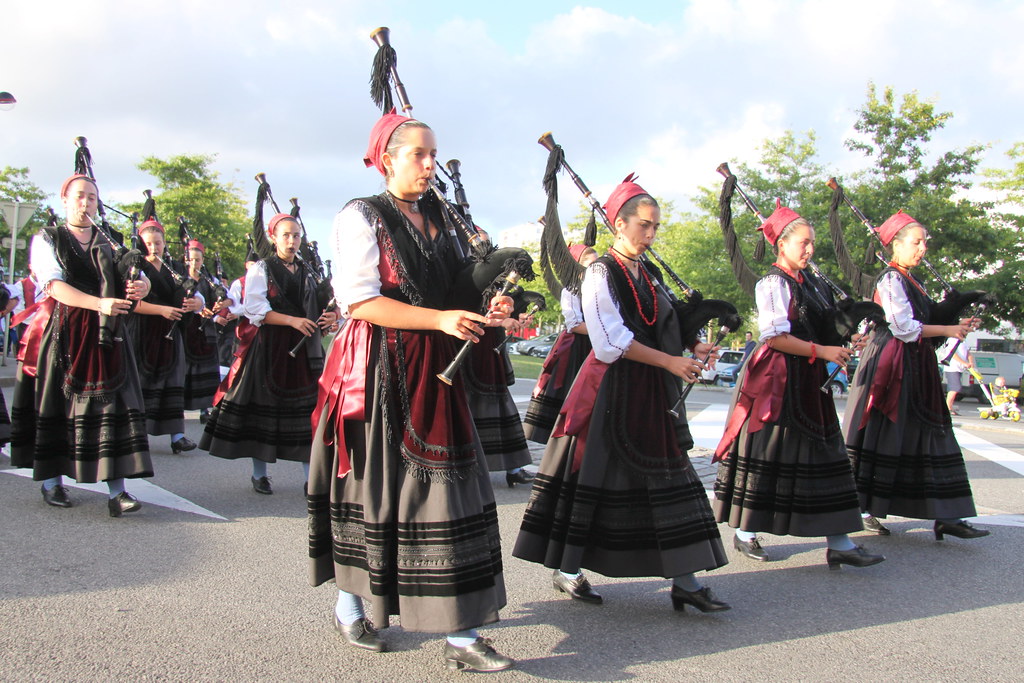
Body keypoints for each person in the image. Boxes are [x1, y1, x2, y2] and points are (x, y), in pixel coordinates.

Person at [306, 112, 514, 672]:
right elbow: (361, 302)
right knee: (375, 490)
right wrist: (442, 317)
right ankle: (351, 603)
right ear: (386, 158)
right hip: (380, 371)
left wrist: (488, 308)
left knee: (451, 491)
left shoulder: (441, 217)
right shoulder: (361, 215)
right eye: (419, 155)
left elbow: (454, 287)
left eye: (433, 155)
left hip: (439, 370)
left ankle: (464, 632)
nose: (430, 166)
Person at [513, 177, 730, 613]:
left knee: (668, 478)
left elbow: (664, 322)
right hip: (612, 393)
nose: (650, 235)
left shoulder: (647, 272)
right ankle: (570, 569)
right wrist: (669, 362)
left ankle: (684, 580)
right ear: (619, 225)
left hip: (651, 389)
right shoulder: (600, 272)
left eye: (655, 227)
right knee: (593, 478)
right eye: (644, 226)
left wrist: (692, 346)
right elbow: (609, 341)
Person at [712, 203, 884, 569]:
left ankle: (839, 540)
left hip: (809, 376)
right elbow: (774, 337)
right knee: (767, 453)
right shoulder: (772, 283)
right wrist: (823, 349)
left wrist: (846, 339)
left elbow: (826, 326)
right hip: (778, 379)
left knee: (826, 454)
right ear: (782, 245)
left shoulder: (815, 283)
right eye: (803, 243)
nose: (809, 250)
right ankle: (745, 532)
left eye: (812, 243)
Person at [10, 174, 152, 516]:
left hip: (110, 335)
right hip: (65, 331)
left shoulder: (111, 240)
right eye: (79, 196)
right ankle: (51, 482)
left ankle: (118, 492)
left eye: (91, 197)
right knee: (59, 404)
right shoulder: (49, 239)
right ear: (65, 200)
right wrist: (99, 303)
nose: (85, 203)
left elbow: (136, 274)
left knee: (115, 407)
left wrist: (142, 286)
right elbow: (54, 287)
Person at [843, 210, 989, 541]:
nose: (922, 248)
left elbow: (927, 326)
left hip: (917, 364)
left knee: (933, 432)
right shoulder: (890, 279)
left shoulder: (914, 281)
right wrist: (950, 327)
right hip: (890, 365)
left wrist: (958, 320)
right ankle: (864, 507)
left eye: (924, 242)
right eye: (916, 242)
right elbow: (903, 327)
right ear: (896, 245)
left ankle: (946, 512)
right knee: (884, 433)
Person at [200, 214, 333, 494]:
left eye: (296, 235)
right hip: (270, 348)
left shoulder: (309, 270)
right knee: (263, 411)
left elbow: (320, 304)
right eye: (285, 235)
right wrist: (292, 321)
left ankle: (312, 478)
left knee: (308, 413)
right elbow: (254, 309)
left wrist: (328, 317)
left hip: (306, 349)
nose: (292, 241)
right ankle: (259, 474)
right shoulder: (262, 269)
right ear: (274, 238)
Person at [129, 219, 202, 454]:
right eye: (149, 243)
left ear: (164, 243)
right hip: (142, 331)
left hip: (170, 334)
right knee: (141, 382)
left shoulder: (177, 269)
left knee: (173, 381)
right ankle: (136, 434)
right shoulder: (135, 268)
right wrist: (161, 310)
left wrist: (195, 303)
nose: (154, 248)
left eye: (157, 243)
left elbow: (199, 297)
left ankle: (177, 435)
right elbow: (132, 303)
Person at [522, 244, 597, 445]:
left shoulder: (599, 289)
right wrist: (604, 330)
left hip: (597, 344)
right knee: (568, 391)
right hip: (576, 348)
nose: (594, 269)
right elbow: (574, 324)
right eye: (590, 264)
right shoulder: (571, 289)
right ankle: (563, 440)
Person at [182, 240, 222, 423]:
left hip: (206, 331)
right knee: (184, 370)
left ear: (202, 260)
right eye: (191, 260)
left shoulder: (210, 280)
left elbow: (226, 299)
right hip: (185, 330)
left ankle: (205, 408)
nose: (194, 264)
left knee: (205, 372)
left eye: (197, 260)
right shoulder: (179, 277)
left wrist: (218, 306)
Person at [938, 337, 974, 416]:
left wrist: (971, 362)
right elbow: (952, 353)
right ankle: (948, 408)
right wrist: (964, 363)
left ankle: (949, 407)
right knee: (955, 388)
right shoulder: (952, 340)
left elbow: (968, 353)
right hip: (952, 368)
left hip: (959, 369)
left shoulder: (964, 341)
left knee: (956, 388)